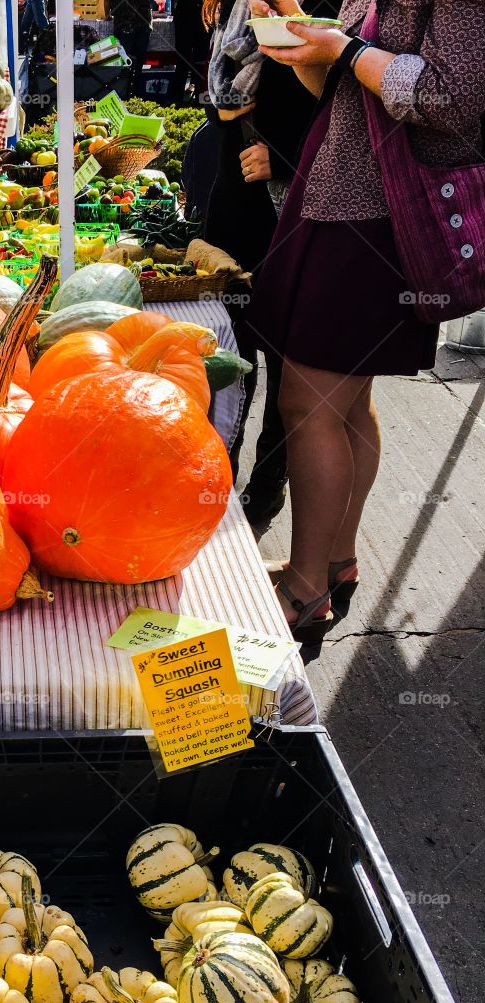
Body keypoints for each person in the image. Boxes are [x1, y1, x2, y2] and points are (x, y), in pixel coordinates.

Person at [246, 0, 485, 639]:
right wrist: (308, 44)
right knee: (345, 401)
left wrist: (345, 50)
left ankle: (304, 588)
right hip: (345, 203)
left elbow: (450, 100)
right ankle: (333, 561)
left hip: (379, 217)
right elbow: (345, 85)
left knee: (307, 402)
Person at [201, 0, 336, 524]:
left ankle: (266, 487)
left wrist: (284, 157)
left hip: (295, 205)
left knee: (286, 361)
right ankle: (221, 469)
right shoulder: (231, 7)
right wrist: (225, 109)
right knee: (230, 351)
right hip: (233, 198)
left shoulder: (323, 7)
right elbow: (219, 99)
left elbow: (342, 109)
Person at [109, 0, 158, 97]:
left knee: (133, 63)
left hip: (138, 22)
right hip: (129, 22)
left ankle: (131, 95)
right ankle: (124, 95)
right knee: (125, 63)